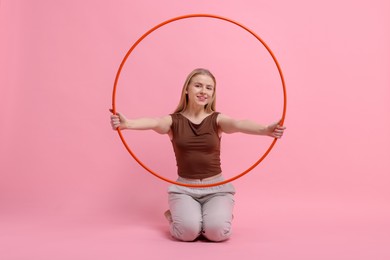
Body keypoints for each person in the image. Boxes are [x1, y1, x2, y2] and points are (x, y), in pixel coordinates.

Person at [110, 68, 286, 242]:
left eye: (209, 88)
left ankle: (217, 217)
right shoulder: (173, 121)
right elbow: (155, 122)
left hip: (216, 188)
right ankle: (177, 216)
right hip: (185, 189)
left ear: (213, 93)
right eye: (198, 86)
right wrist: (128, 124)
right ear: (187, 88)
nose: (204, 91)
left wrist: (265, 130)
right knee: (187, 232)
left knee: (217, 232)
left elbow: (239, 123)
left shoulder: (217, 119)